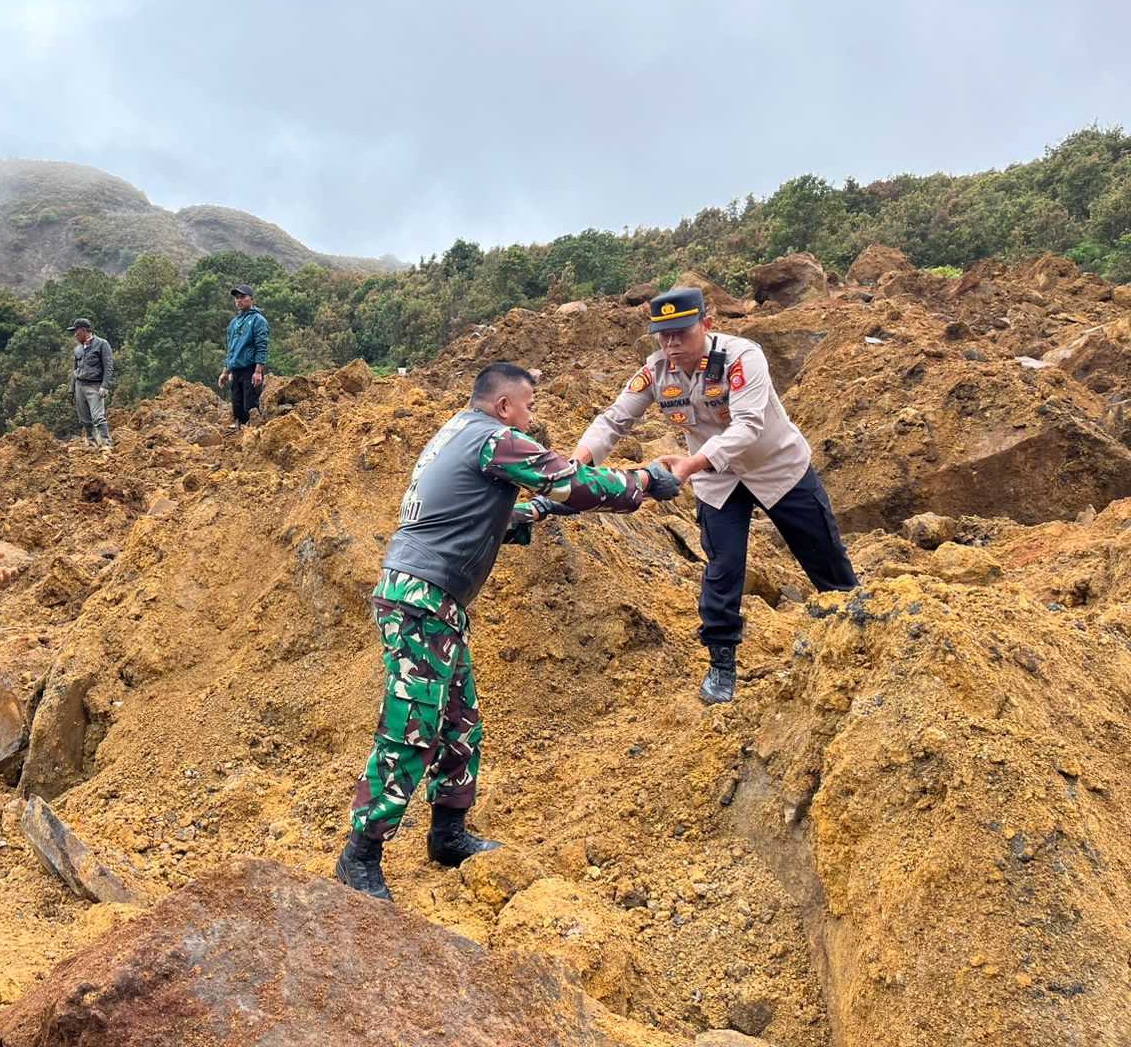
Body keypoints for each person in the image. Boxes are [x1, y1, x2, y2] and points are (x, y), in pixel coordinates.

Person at [335, 362, 681, 901]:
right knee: (412, 727)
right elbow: (571, 479)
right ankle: (359, 856)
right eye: (528, 408)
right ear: (504, 407)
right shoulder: (495, 439)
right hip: (421, 598)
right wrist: (644, 483)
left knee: (459, 720)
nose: (530, 418)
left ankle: (448, 834)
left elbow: (475, 511)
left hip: (429, 598)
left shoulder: (458, 432)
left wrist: (536, 510)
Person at [573, 287, 858, 705]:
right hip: (718, 482)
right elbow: (614, 420)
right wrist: (576, 463)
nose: (671, 344)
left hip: (777, 468)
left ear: (706, 325)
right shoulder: (655, 372)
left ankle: (860, 626)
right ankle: (722, 665)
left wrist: (689, 465)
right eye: (663, 335)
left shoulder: (743, 358)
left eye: (681, 333)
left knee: (824, 556)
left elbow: (747, 427)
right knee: (723, 569)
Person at [218, 284, 270, 429]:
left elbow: (262, 346)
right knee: (237, 404)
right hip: (236, 369)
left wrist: (258, 371)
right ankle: (238, 433)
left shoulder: (258, 320)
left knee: (250, 404)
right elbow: (231, 349)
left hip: (250, 368)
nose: (239, 300)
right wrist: (225, 371)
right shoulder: (234, 323)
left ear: (251, 299)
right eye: (236, 298)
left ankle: (253, 432)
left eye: (242, 297)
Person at [71, 318, 114, 449]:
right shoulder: (78, 349)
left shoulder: (102, 344)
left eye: (76, 332)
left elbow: (108, 366)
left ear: (84, 330)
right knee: (84, 418)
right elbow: (75, 370)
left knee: (97, 416)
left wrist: (105, 385)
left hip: (94, 385)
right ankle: (92, 443)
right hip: (80, 385)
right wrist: (71, 389)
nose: (75, 335)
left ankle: (106, 443)